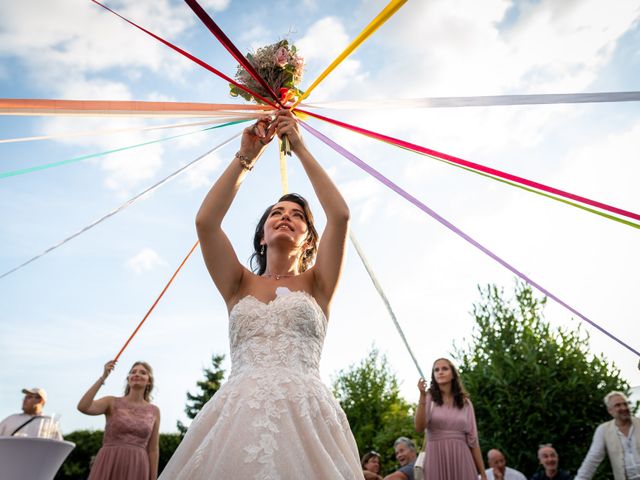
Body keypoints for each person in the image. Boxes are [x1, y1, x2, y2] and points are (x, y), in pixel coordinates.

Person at [159, 110, 361, 479]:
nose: (286, 216)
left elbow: (341, 215)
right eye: (276, 213)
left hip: (306, 413)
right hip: (239, 412)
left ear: (308, 238)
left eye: (297, 215)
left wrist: (298, 146)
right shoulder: (237, 283)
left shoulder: (319, 284)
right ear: (262, 235)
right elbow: (206, 222)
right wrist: (246, 157)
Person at [77, 360, 160, 480]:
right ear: (128, 379)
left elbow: (153, 450)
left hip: (138, 466)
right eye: (133, 372)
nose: (137, 374)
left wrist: (153, 478)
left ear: (149, 381)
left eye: (143, 372)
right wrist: (103, 377)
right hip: (109, 461)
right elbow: (83, 407)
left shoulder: (154, 411)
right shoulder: (111, 402)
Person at [415, 358, 487, 480]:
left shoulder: (466, 403)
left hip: (462, 458)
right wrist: (422, 396)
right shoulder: (429, 398)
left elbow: (473, 441)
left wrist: (483, 474)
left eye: (444, 369)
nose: (440, 372)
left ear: (453, 374)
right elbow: (419, 427)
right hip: (435, 458)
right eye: (436, 370)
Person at [576, 390, 640, 480]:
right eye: (618, 405)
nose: (624, 407)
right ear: (610, 411)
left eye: (625, 404)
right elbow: (592, 460)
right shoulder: (603, 430)